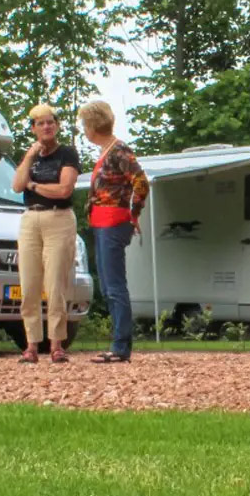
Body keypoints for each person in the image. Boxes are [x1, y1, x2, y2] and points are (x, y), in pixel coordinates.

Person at [79, 100, 149, 363]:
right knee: (108, 285)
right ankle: (119, 343)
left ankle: (121, 347)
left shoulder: (119, 150)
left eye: (85, 125)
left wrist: (134, 214)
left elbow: (141, 183)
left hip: (113, 221)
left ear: (92, 126)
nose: (84, 130)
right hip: (102, 222)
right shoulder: (108, 151)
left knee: (115, 286)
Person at [11, 104, 81, 363]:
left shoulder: (67, 153)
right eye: (40, 123)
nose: (47, 127)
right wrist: (29, 157)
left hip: (58, 218)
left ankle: (56, 344)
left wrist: (33, 185)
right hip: (31, 218)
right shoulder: (31, 156)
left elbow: (64, 190)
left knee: (55, 284)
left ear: (58, 125)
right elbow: (16, 185)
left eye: (50, 122)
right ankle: (31, 345)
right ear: (34, 129)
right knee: (29, 284)